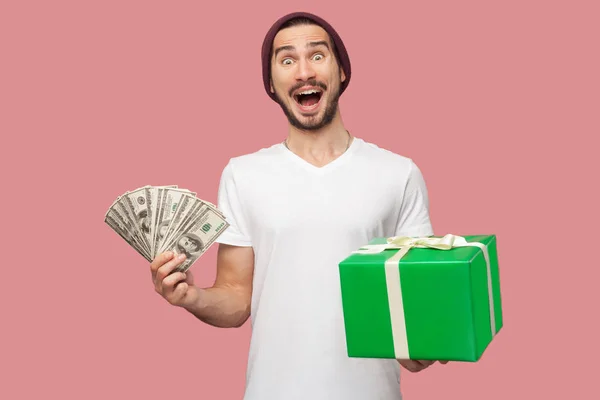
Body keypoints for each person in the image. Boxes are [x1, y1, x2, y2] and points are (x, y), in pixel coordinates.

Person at [149, 11, 447, 400]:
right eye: (287, 60)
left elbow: (411, 306)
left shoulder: (398, 174)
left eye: (317, 55)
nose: (303, 71)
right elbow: (237, 299)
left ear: (342, 71)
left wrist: (420, 346)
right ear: (272, 84)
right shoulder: (243, 175)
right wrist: (192, 297)